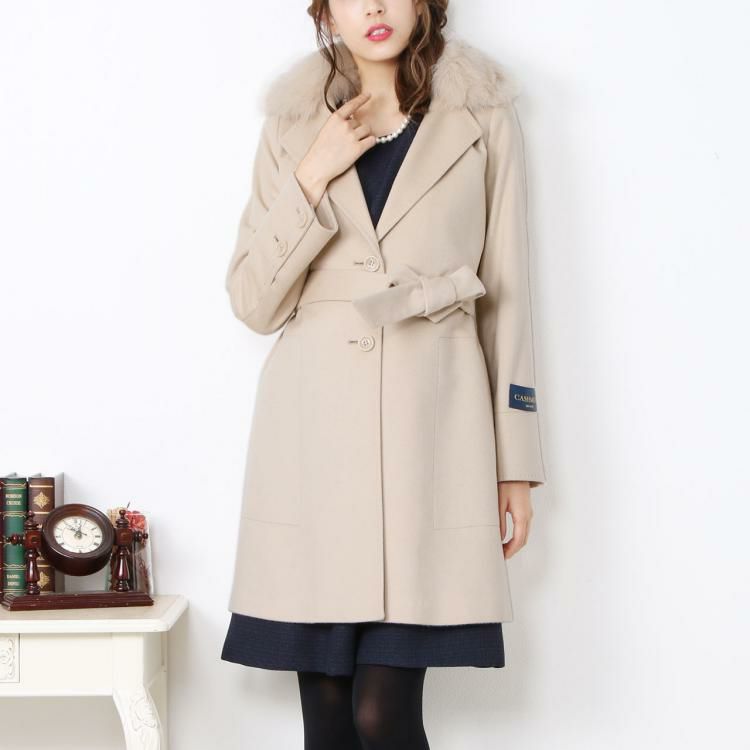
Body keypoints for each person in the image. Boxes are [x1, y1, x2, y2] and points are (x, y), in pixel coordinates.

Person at [220, 1, 547, 747]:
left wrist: (516, 463)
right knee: (329, 717)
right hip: (312, 442)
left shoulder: (482, 117)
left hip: (431, 434)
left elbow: (509, 293)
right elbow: (252, 301)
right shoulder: (293, 124)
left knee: (382, 713)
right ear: (325, 11)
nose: (373, 6)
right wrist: (313, 172)